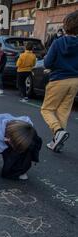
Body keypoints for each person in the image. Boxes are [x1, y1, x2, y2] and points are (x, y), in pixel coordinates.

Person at [40, 10, 78, 153]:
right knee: (63, 111)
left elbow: (48, 63)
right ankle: (57, 141)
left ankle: (58, 131)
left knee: (47, 109)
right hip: (75, 80)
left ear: (65, 25)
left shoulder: (57, 42)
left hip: (58, 80)